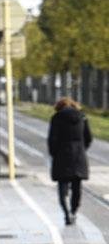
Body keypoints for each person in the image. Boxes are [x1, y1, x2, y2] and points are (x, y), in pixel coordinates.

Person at [47, 97, 92, 226]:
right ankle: (74, 212)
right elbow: (88, 137)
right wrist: (82, 149)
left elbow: (52, 138)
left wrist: (54, 153)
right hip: (79, 155)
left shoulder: (56, 118)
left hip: (62, 155)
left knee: (62, 186)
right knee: (77, 186)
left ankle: (66, 213)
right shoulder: (82, 117)